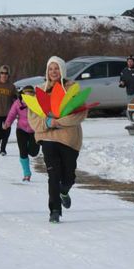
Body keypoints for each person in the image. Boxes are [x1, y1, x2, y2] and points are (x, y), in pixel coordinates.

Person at [28, 56, 87, 223]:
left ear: (62, 70)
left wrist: (57, 122)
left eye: (56, 68)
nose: (53, 72)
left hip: (69, 139)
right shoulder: (39, 90)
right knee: (53, 174)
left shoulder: (72, 88)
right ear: (47, 71)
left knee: (69, 176)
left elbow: (80, 114)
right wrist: (47, 123)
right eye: (50, 69)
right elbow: (33, 118)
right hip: (48, 138)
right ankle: (54, 210)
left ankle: (64, 191)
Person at [2, 85, 40, 181]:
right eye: (26, 95)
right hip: (21, 129)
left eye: (31, 95)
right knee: (23, 152)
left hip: (34, 130)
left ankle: (30, 149)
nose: (28, 98)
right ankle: (27, 174)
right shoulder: (17, 103)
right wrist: (7, 124)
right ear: (22, 95)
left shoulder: (37, 103)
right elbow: (12, 114)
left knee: (33, 153)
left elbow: (43, 115)